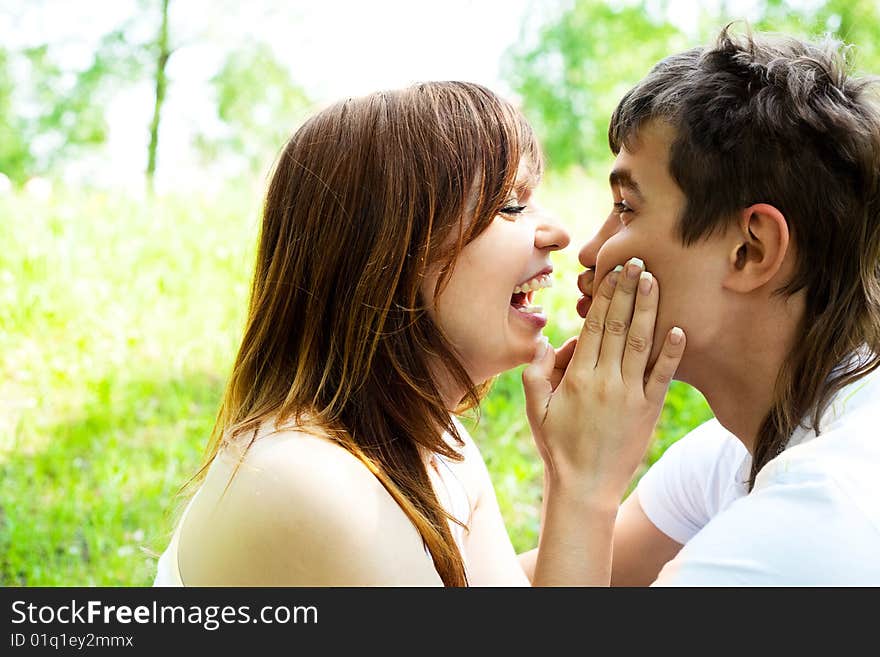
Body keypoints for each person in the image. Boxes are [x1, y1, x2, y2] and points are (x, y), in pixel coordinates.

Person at [153, 81, 685, 586]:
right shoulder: (309, 481)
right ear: (387, 254)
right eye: (511, 206)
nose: (558, 233)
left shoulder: (435, 451)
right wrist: (582, 485)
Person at [521, 25, 880, 585]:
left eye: (626, 207)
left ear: (749, 250)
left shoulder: (817, 516)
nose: (590, 251)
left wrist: (582, 485)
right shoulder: (737, 449)